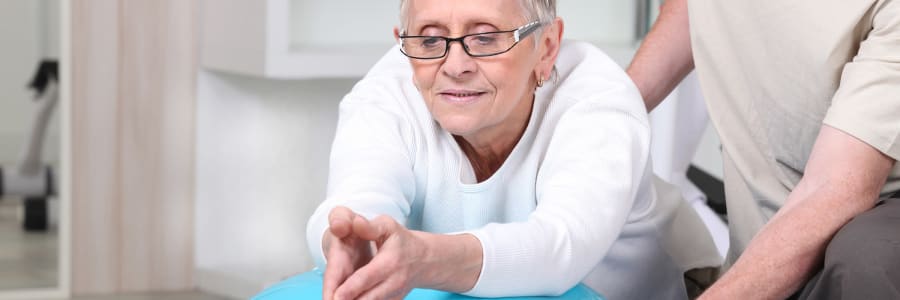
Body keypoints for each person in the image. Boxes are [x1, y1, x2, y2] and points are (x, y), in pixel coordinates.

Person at [305, 0, 720, 299]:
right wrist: (345, 240)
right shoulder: (386, 94)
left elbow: (560, 246)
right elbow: (356, 198)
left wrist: (425, 258)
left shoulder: (598, 101)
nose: (455, 65)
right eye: (430, 40)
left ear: (547, 48)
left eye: (485, 38)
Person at [628, 0, 900, 298]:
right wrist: (601, 113)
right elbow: (692, 9)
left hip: (861, 233)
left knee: (867, 256)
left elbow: (835, 189)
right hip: (764, 228)